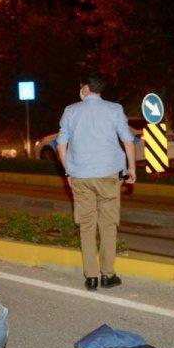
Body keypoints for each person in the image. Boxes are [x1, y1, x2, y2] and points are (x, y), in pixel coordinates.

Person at [56, 74, 137, 291]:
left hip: (81, 176)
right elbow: (128, 140)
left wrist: (68, 171)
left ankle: (91, 277)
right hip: (109, 176)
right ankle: (108, 275)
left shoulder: (71, 111)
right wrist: (132, 169)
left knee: (86, 226)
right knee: (108, 226)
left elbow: (61, 145)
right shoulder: (114, 109)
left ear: (86, 88)